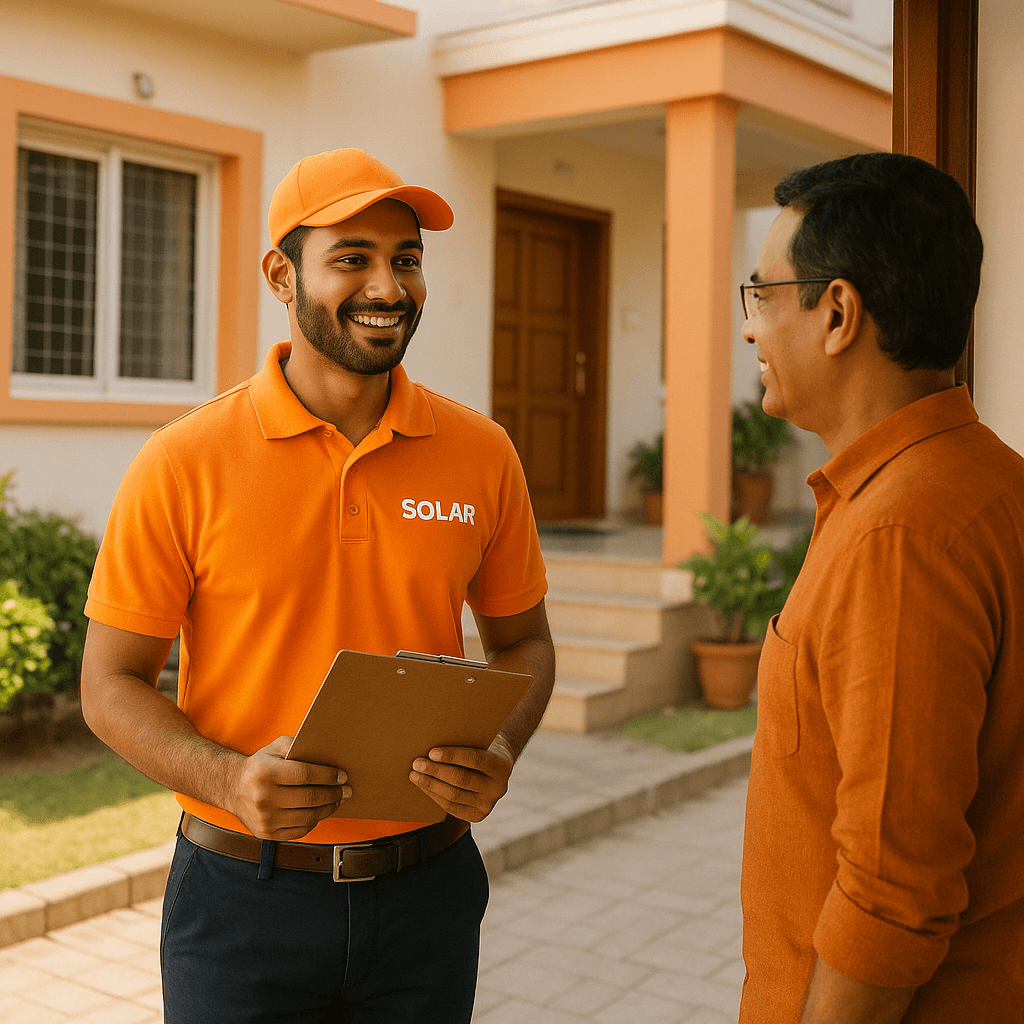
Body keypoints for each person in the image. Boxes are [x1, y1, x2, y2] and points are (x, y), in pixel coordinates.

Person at [80, 147, 555, 1024]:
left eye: (406, 259)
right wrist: (228, 779)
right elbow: (109, 684)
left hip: (429, 894)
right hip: (240, 901)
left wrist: (501, 750)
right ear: (281, 275)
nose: (388, 286)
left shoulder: (483, 453)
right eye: (352, 258)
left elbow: (524, 641)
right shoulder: (182, 461)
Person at [737, 152, 1024, 1023]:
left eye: (762, 296)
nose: (750, 330)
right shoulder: (989, 484)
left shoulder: (901, 538)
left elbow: (893, 890)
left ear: (838, 313)